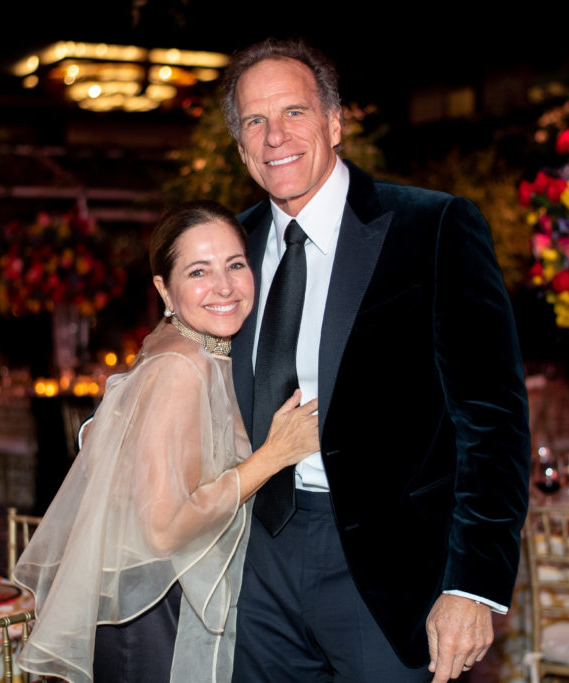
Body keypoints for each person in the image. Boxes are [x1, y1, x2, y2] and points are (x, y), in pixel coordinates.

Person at [220, 38, 530, 682]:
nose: (275, 135)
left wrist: (472, 586)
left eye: (294, 113)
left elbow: (494, 423)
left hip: (390, 575)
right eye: (255, 121)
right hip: (253, 563)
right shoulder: (229, 248)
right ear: (241, 145)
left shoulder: (433, 228)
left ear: (335, 122)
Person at [12, 201, 320, 683]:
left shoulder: (194, 344)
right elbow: (163, 527)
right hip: (157, 611)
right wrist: (273, 456)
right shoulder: (180, 367)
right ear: (164, 288)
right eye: (199, 271)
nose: (223, 286)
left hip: (164, 595)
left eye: (235, 265)